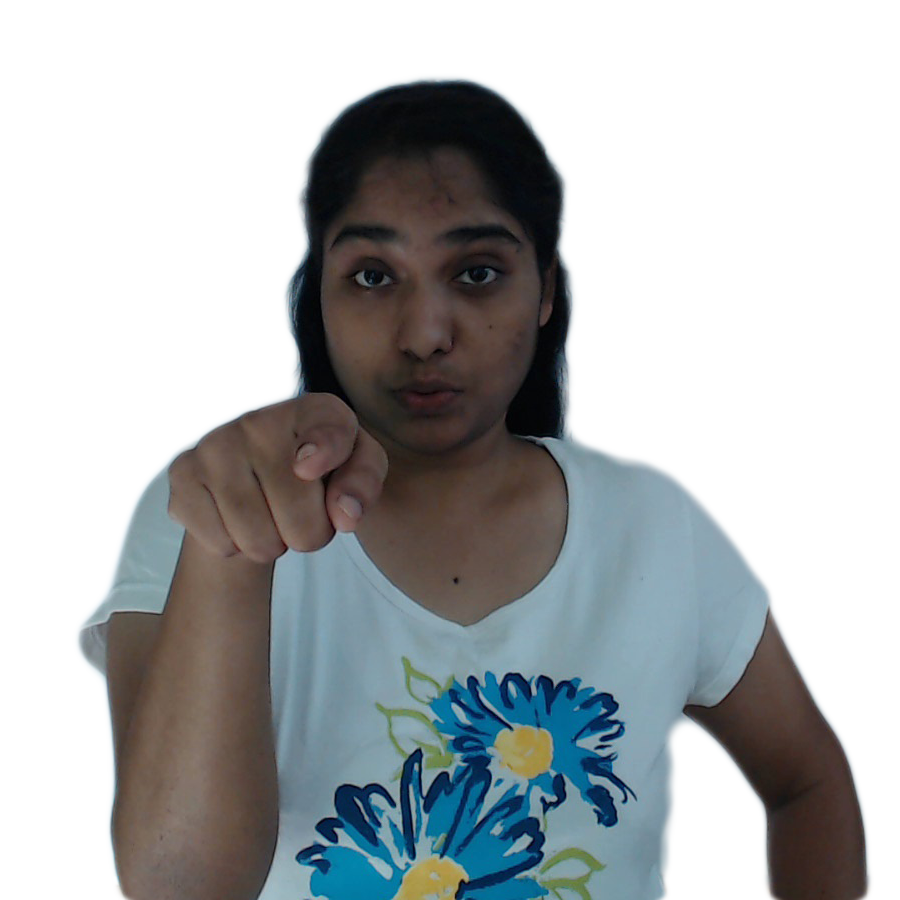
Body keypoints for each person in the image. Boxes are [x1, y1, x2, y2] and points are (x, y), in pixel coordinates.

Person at [79, 79, 866, 900]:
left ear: (546, 290)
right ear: (320, 296)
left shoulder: (651, 527)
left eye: (478, 272)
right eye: (373, 276)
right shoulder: (207, 506)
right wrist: (236, 557)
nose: (426, 334)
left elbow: (806, 779)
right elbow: (177, 886)